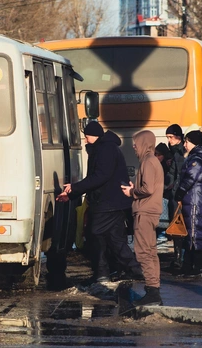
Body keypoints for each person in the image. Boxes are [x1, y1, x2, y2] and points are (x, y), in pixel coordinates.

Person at [58, 121, 143, 282]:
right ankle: (124, 270)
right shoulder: (104, 148)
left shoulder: (105, 150)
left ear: (94, 135)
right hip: (111, 202)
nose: (85, 140)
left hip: (107, 203)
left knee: (95, 235)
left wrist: (75, 188)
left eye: (86, 137)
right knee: (114, 239)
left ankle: (109, 271)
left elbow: (100, 177)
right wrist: (72, 193)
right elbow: (95, 178)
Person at [121, 130, 164, 306]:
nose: (133, 146)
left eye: (136, 143)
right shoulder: (152, 161)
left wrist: (132, 191)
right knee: (151, 252)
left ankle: (152, 292)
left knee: (144, 252)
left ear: (144, 143)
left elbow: (147, 189)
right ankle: (153, 290)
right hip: (150, 211)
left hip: (145, 212)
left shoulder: (147, 161)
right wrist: (135, 186)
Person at [174, 130, 202, 278]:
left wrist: (180, 192)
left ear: (194, 142)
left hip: (195, 199)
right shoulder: (198, 155)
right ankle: (189, 265)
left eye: (187, 141)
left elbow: (190, 177)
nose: (185, 144)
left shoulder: (197, 157)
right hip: (195, 198)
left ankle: (197, 266)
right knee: (192, 232)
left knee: (195, 233)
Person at [165, 124, 186, 270]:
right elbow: (171, 174)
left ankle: (181, 259)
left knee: (180, 227)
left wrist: (175, 188)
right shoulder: (175, 153)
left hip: (181, 196)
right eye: (167, 138)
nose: (169, 140)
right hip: (176, 194)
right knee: (177, 227)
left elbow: (180, 175)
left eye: (171, 137)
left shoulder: (182, 153)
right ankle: (179, 258)